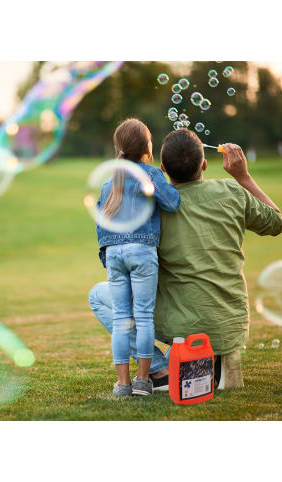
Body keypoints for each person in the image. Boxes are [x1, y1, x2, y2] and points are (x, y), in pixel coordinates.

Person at [89, 129, 282, 392]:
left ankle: (160, 370)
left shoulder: (155, 209)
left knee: (100, 295)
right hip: (230, 321)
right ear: (203, 164)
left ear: (162, 167)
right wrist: (242, 176)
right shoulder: (232, 192)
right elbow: (276, 222)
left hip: (181, 322)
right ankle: (218, 354)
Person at [95, 118, 180, 398]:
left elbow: (101, 225)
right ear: (147, 147)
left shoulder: (109, 183)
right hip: (143, 253)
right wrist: (162, 177)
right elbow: (173, 203)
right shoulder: (151, 174)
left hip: (115, 255)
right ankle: (143, 380)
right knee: (143, 317)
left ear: (118, 148)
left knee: (121, 319)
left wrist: (109, 260)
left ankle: (122, 385)